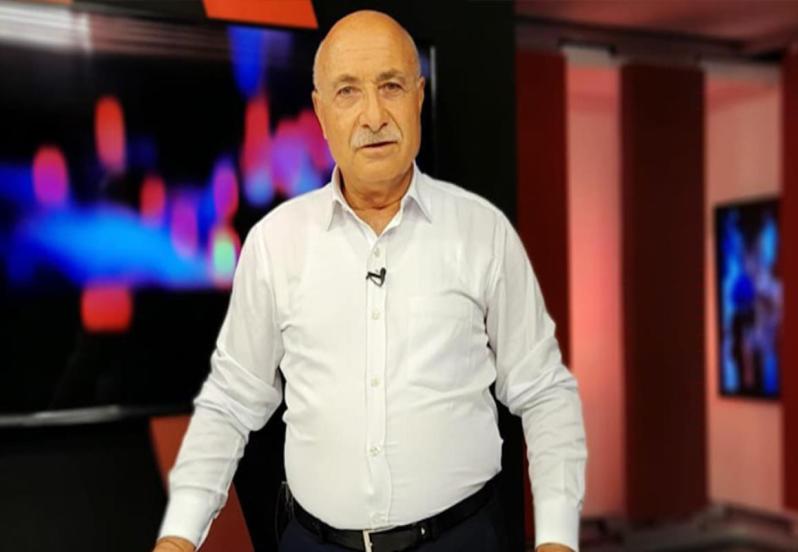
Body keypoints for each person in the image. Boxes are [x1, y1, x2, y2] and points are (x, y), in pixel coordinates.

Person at [153, 10, 586, 552]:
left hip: (462, 539)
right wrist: (178, 537)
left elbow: (544, 392)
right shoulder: (275, 243)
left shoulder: (483, 233)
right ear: (320, 111)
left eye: (391, 86)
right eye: (348, 92)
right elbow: (231, 401)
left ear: (418, 96)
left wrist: (557, 540)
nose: (374, 115)